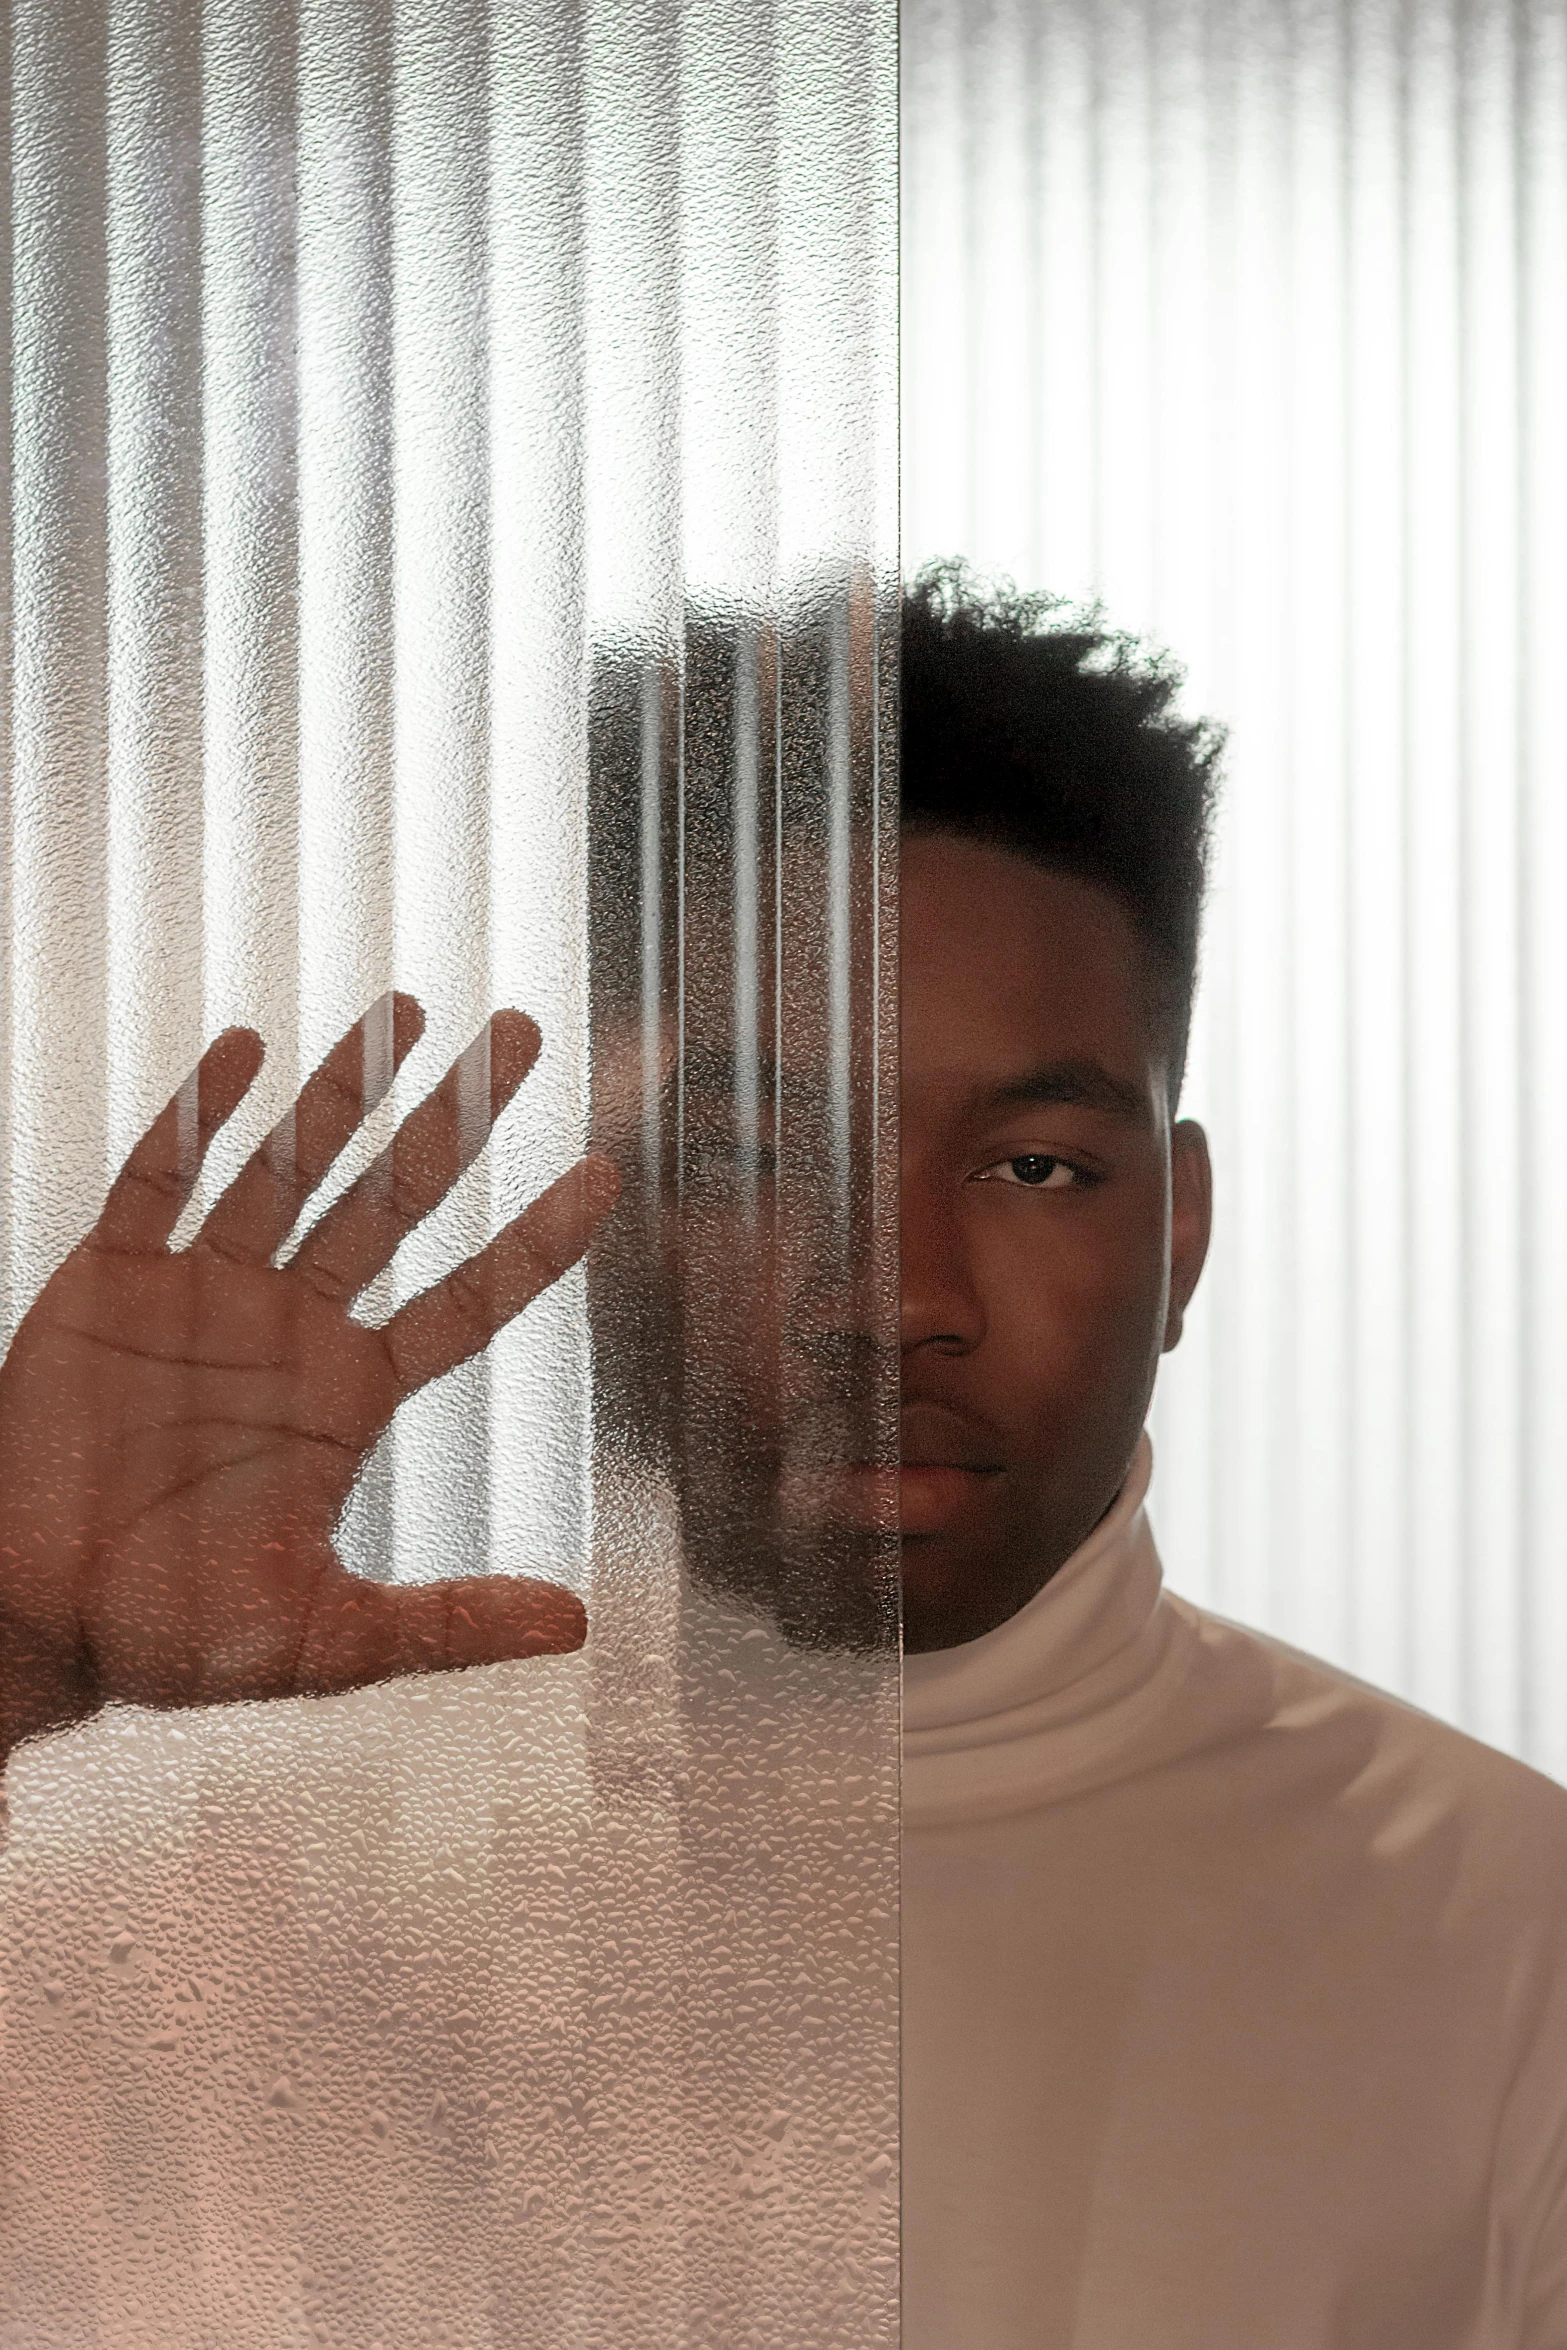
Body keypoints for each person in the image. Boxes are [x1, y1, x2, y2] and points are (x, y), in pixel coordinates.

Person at [3, 563, 1567, 2348]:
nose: (893, 1294)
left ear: (1182, 1233)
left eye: (1034, 1164)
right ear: (612, 1220)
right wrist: (13, 1649)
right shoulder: (178, 1889)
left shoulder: (1504, 1929)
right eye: (756, 1157)